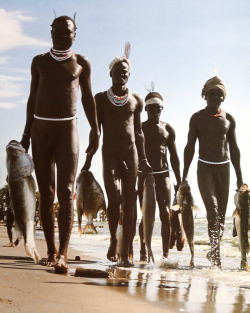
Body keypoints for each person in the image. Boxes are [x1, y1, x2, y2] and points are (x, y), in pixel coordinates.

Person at [20, 15, 99, 273]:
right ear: (51, 32)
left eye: (69, 33)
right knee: (47, 194)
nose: (63, 37)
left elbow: (88, 99)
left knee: (66, 193)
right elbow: (32, 98)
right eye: (59, 32)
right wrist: (26, 135)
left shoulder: (81, 63)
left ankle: (63, 254)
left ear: (75, 34)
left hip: (68, 130)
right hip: (41, 131)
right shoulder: (39, 62)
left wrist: (95, 131)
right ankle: (51, 251)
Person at [92, 44, 151, 267]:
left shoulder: (136, 100)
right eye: (118, 72)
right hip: (110, 154)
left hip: (131, 154)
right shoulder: (100, 99)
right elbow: (96, 131)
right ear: (110, 73)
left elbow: (139, 132)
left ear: (129, 75)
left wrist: (144, 159)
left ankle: (125, 253)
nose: (122, 75)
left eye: (125, 72)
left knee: (130, 202)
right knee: (114, 199)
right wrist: (89, 155)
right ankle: (114, 239)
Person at [182, 76, 243, 268]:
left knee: (222, 214)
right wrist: (184, 175)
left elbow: (234, 149)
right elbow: (189, 147)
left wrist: (240, 178)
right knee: (213, 210)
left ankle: (214, 251)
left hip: (224, 169)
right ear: (204, 95)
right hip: (205, 168)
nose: (215, 97)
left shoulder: (229, 119)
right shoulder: (197, 118)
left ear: (223, 97)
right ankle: (215, 254)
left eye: (219, 94)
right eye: (211, 93)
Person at [137, 91, 181, 261]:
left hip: (164, 176)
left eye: (158, 108)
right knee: (146, 216)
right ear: (146, 109)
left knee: (165, 215)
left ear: (162, 108)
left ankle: (164, 256)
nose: (155, 112)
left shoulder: (168, 128)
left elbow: (174, 157)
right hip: (144, 177)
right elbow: (133, 154)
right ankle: (142, 251)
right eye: (152, 108)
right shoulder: (140, 128)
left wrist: (180, 180)